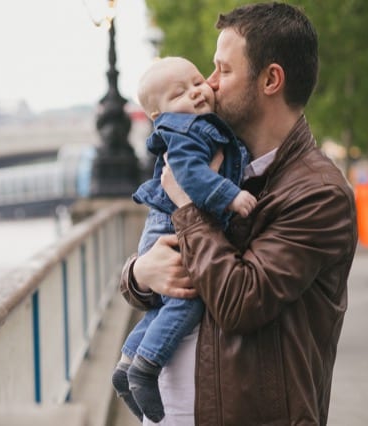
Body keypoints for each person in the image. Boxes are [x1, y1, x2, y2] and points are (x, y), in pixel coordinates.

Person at [119, 2, 358, 426]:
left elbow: (239, 301)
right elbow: (175, 276)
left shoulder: (319, 194)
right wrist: (139, 274)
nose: (209, 84)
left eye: (223, 71)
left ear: (270, 80)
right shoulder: (223, 164)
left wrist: (190, 208)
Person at [111, 56, 256, 423]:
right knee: (187, 298)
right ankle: (146, 365)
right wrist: (229, 195)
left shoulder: (200, 127)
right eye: (180, 93)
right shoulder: (186, 132)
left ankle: (129, 357)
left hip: (168, 227)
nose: (197, 90)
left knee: (167, 305)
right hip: (170, 227)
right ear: (158, 116)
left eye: (196, 82)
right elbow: (189, 174)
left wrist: (137, 273)